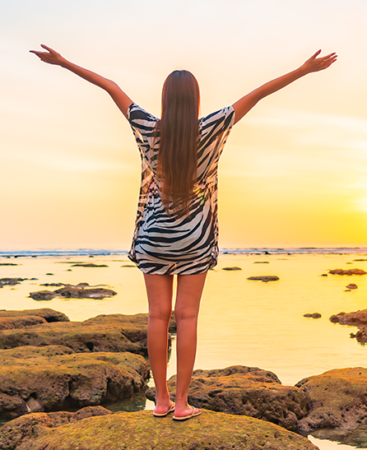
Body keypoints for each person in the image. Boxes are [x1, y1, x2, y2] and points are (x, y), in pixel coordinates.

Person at [30, 44, 337, 421]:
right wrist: (303, 70)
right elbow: (258, 93)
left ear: (164, 100)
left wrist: (62, 62)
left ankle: (159, 401)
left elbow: (110, 85)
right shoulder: (212, 126)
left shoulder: (147, 127)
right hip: (195, 236)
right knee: (187, 318)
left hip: (154, 235)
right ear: (195, 100)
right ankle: (181, 404)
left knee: (157, 317)